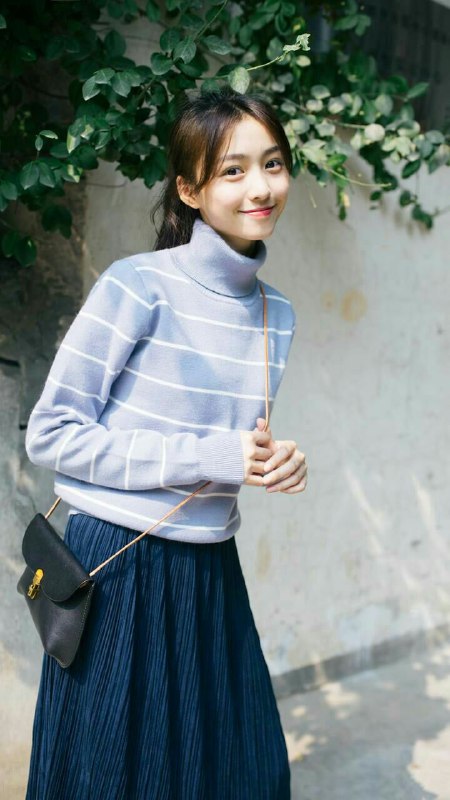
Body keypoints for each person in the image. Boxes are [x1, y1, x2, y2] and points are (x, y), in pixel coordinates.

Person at [24, 86, 308, 800]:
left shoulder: (277, 314)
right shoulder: (138, 286)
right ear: (189, 188)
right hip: (120, 567)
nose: (260, 187)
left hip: (211, 571)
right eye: (233, 170)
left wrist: (275, 460)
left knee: (243, 772)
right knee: (117, 776)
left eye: (272, 163)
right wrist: (212, 456)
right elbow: (52, 435)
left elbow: (235, 443)